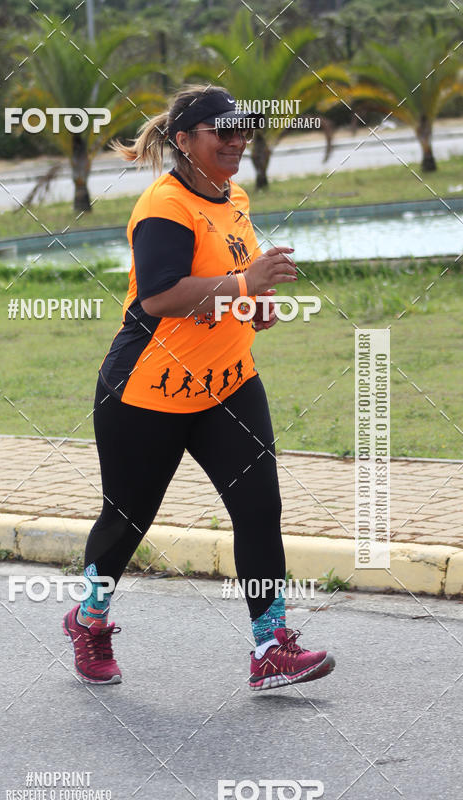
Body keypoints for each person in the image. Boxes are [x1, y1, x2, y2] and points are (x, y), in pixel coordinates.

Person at [62, 85, 335, 690]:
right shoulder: (165, 206)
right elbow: (160, 295)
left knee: (260, 509)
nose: (238, 141)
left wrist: (253, 303)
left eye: (244, 131)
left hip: (229, 387)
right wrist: (243, 285)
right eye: (222, 133)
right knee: (126, 521)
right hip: (147, 394)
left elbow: (229, 283)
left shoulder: (232, 194)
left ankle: (271, 648)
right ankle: (89, 618)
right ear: (184, 142)